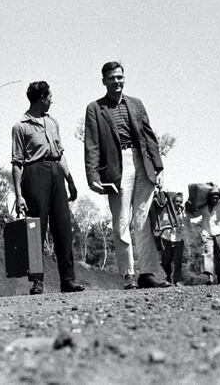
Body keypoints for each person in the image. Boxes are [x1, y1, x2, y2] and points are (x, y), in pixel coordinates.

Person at [83, 61, 170, 289]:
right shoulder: (95, 109)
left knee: (143, 220)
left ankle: (148, 274)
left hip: (142, 162)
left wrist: (158, 167)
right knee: (121, 221)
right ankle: (128, 274)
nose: (117, 81)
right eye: (112, 78)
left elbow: (149, 135)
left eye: (120, 77)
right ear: (104, 81)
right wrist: (93, 176)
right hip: (116, 167)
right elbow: (91, 144)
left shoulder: (136, 104)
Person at [11, 81, 85, 295]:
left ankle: (68, 280)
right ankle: (37, 282)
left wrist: (70, 180)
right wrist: (19, 195)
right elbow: (17, 163)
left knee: (63, 228)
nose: (52, 100)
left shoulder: (53, 123)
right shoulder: (20, 126)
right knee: (36, 229)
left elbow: (60, 154)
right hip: (34, 174)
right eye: (49, 96)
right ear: (41, 98)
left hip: (56, 173)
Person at [192, 187, 220, 285]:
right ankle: (209, 278)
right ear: (209, 198)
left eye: (217, 198)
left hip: (219, 232)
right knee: (208, 254)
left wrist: (214, 185)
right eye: (213, 198)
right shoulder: (203, 207)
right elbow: (193, 214)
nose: (215, 200)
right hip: (206, 233)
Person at [157, 192, 188, 286]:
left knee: (178, 261)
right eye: (176, 201)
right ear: (172, 201)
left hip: (178, 239)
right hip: (166, 237)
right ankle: (167, 278)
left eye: (180, 202)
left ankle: (177, 280)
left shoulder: (183, 212)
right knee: (166, 261)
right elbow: (163, 222)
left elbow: (186, 224)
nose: (178, 203)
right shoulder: (165, 210)